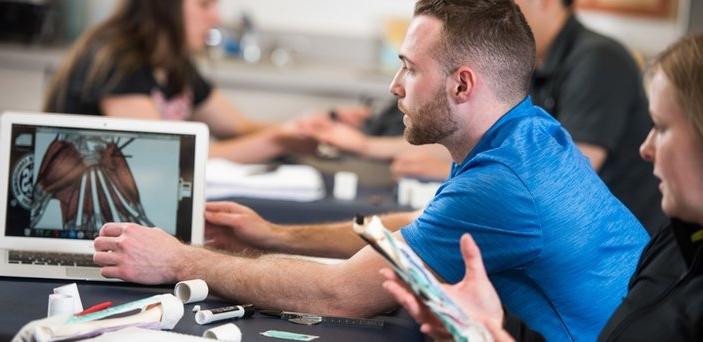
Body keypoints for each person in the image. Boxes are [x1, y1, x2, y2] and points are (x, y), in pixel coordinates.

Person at [91, 1, 648, 340]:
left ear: (462, 85)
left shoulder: (502, 184)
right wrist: (279, 234)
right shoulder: (531, 134)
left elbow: (340, 295)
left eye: (409, 68)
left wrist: (177, 258)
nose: (394, 87)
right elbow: (422, 226)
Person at [382, 34, 703, 341]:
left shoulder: (505, 175)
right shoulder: (675, 242)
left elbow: (342, 296)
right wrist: (494, 326)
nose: (645, 148)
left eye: (661, 127)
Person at [44, 0, 312, 163]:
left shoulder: (174, 62)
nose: (216, 17)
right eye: (204, 4)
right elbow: (163, 154)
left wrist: (301, 131)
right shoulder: (116, 58)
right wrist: (278, 140)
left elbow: (237, 127)